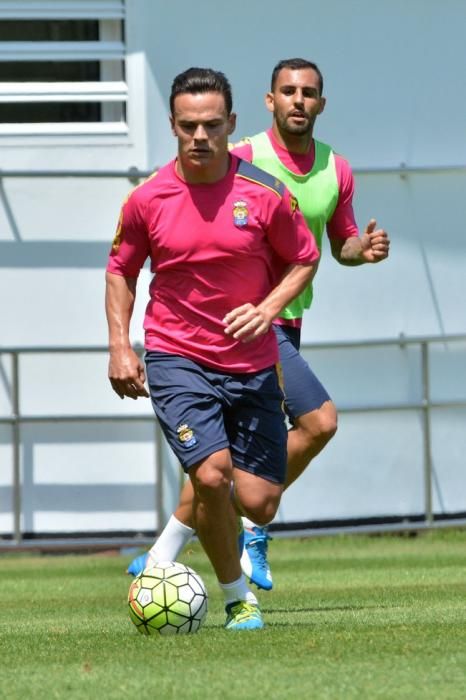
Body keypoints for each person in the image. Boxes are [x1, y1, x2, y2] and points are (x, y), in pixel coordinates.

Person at [127, 58, 390, 589]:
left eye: (309, 92)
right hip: (245, 328)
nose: (298, 99)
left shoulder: (334, 167)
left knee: (222, 467)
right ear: (269, 102)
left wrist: (365, 249)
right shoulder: (239, 155)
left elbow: (337, 245)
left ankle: (162, 554)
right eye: (288, 91)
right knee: (318, 422)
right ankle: (248, 533)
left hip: (284, 323)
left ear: (321, 103)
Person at [106, 67, 319, 631]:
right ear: (173, 125)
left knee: (258, 500)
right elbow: (120, 270)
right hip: (177, 356)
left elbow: (304, 257)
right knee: (209, 477)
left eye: (211, 125)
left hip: (251, 363)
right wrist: (120, 348)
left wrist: (269, 309)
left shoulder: (265, 194)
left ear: (231, 123)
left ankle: (164, 553)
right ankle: (236, 596)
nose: (200, 136)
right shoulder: (148, 199)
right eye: (187, 126)